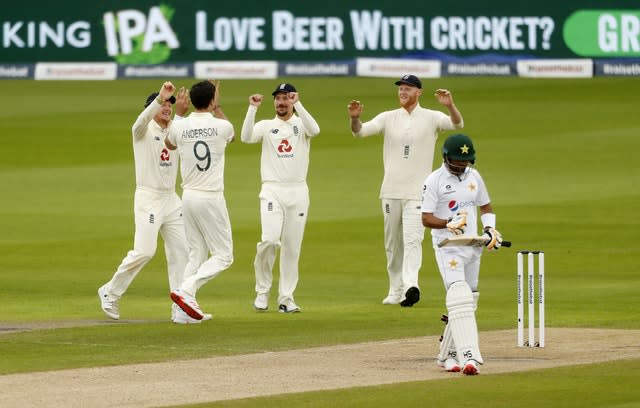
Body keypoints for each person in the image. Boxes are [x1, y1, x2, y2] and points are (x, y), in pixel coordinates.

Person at [347, 74, 464, 307]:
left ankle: (411, 286)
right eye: (400, 88)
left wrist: (450, 105)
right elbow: (360, 132)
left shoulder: (431, 117)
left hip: (418, 193)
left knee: (413, 240)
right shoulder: (388, 117)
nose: (403, 91)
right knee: (393, 244)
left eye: (408, 88)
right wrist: (355, 119)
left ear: (418, 92)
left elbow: (457, 124)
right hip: (390, 190)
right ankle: (395, 289)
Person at [98, 81, 196, 324]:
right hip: (149, 197)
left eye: (169, 105)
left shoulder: (173, 129)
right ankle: (110, 291)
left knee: (181, 251)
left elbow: (190, 129)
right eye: (163, 104)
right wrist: (159, 98)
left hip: (171, 198)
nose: (167, 108)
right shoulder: (143, 130)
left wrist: (209, 108)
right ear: (152, 107)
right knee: (144, 250)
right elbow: (137, 123)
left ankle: (180, 308)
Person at [421, 133, 503, 375]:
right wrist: (448, 223)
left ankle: (447, 354)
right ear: (446, 157)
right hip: (448, 247)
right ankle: (467, 356)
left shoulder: (474, 176)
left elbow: (485, 206)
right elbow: (425, 218)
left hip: (472, 246)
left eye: (465, 163)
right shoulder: (434, 180)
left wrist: (490, 229)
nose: (461, 167)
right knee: (459, 295)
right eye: (457, 162)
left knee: (470, 299)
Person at [240, 83, 320, 313]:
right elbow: (246, 137)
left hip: (298, 191)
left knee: (292, 248)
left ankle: (286, 298)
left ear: (292, 101)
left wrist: (299, 105)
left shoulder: (301, 125)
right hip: (272, 190)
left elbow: (315, 130)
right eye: (278, 99)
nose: (281, 102)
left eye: (286, 98)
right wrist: (252, 109)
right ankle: (262, 292)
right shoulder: (266, 126)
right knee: (269, 240)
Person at [165, 80, 235, 321]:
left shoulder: (180, 126)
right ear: (212, 101)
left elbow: (169, 143)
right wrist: (217, 107)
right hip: (210, 197)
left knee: (197, 253)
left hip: (188, 196)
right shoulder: (222, 127)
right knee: (224, 256)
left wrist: (180, 116)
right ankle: (187, 290)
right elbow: (232, 135)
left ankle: (180, 313)